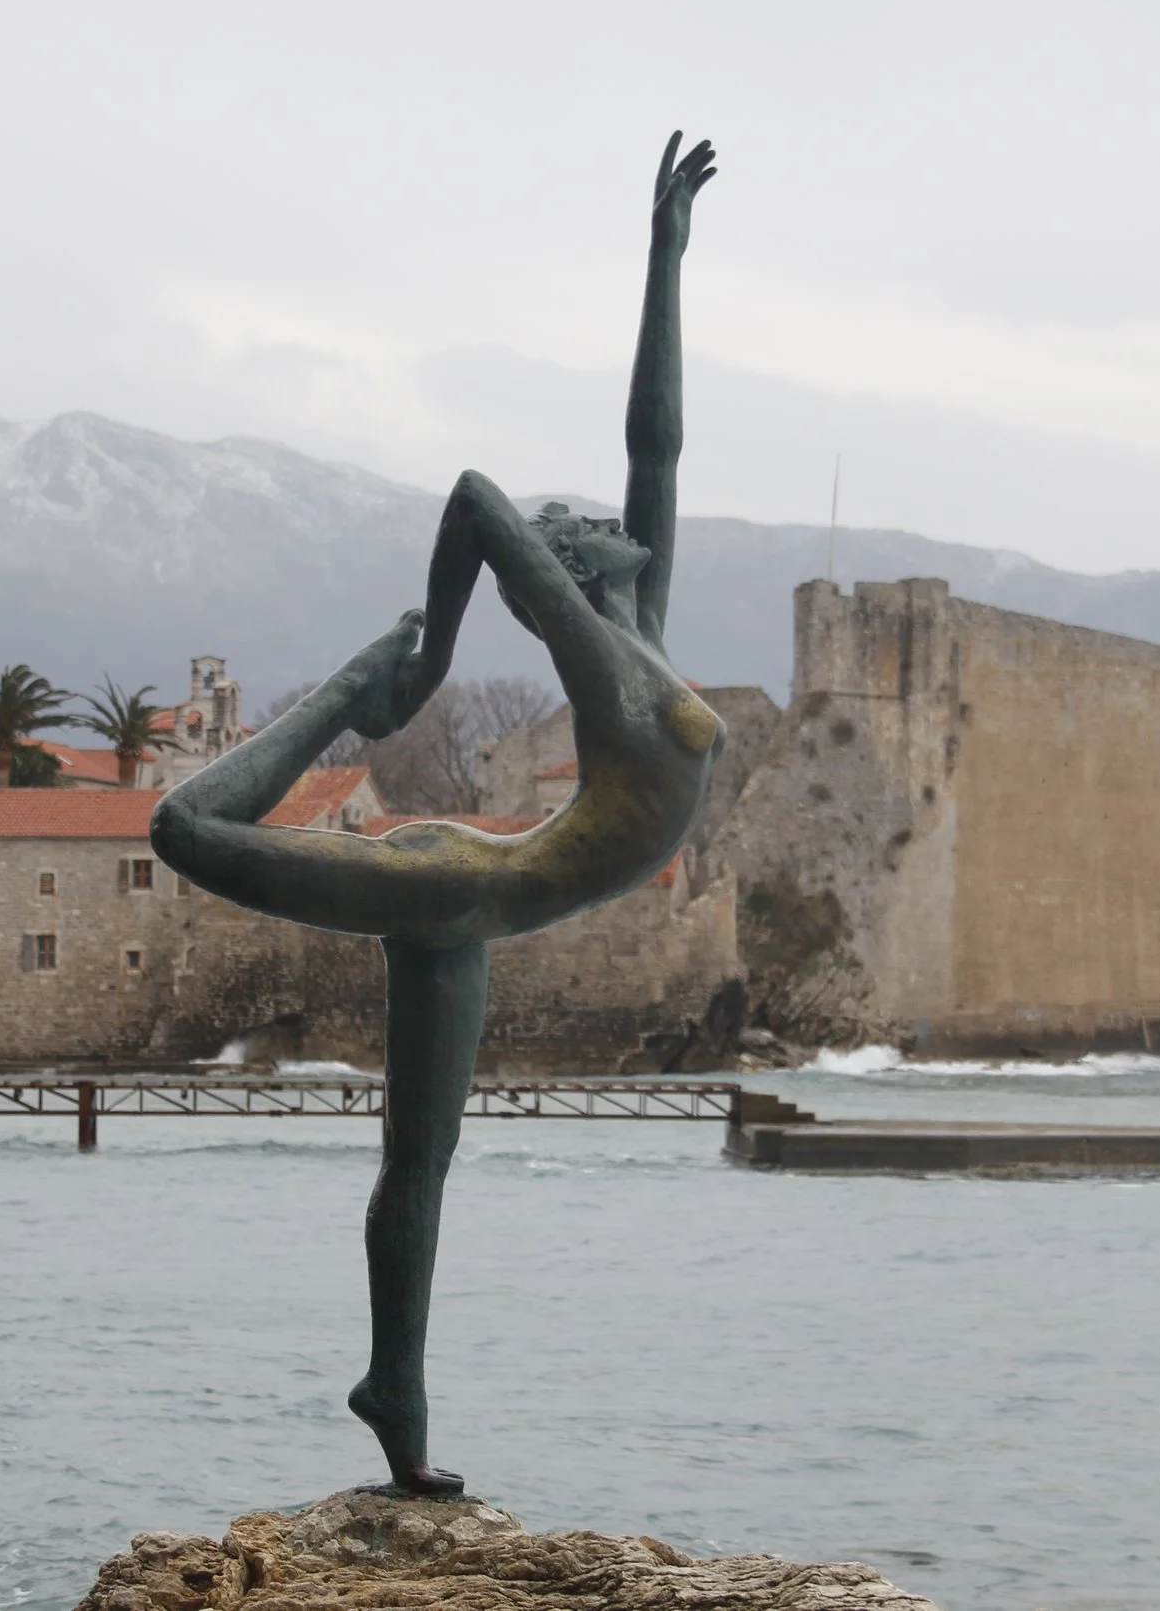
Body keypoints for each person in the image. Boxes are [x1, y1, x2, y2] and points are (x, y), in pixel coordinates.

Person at [151, 131, 722, 1496]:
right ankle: (348, 687)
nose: (613, 519)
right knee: (184, 831)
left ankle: (394, 1395)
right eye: (586, 528)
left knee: (425, 1161)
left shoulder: (638, 623)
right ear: (573, 568)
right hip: (441, 882)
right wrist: (417, 667)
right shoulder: (598, 650)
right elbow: (477, 497)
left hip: (471, 900)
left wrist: (664, 258)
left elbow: (658, 443)